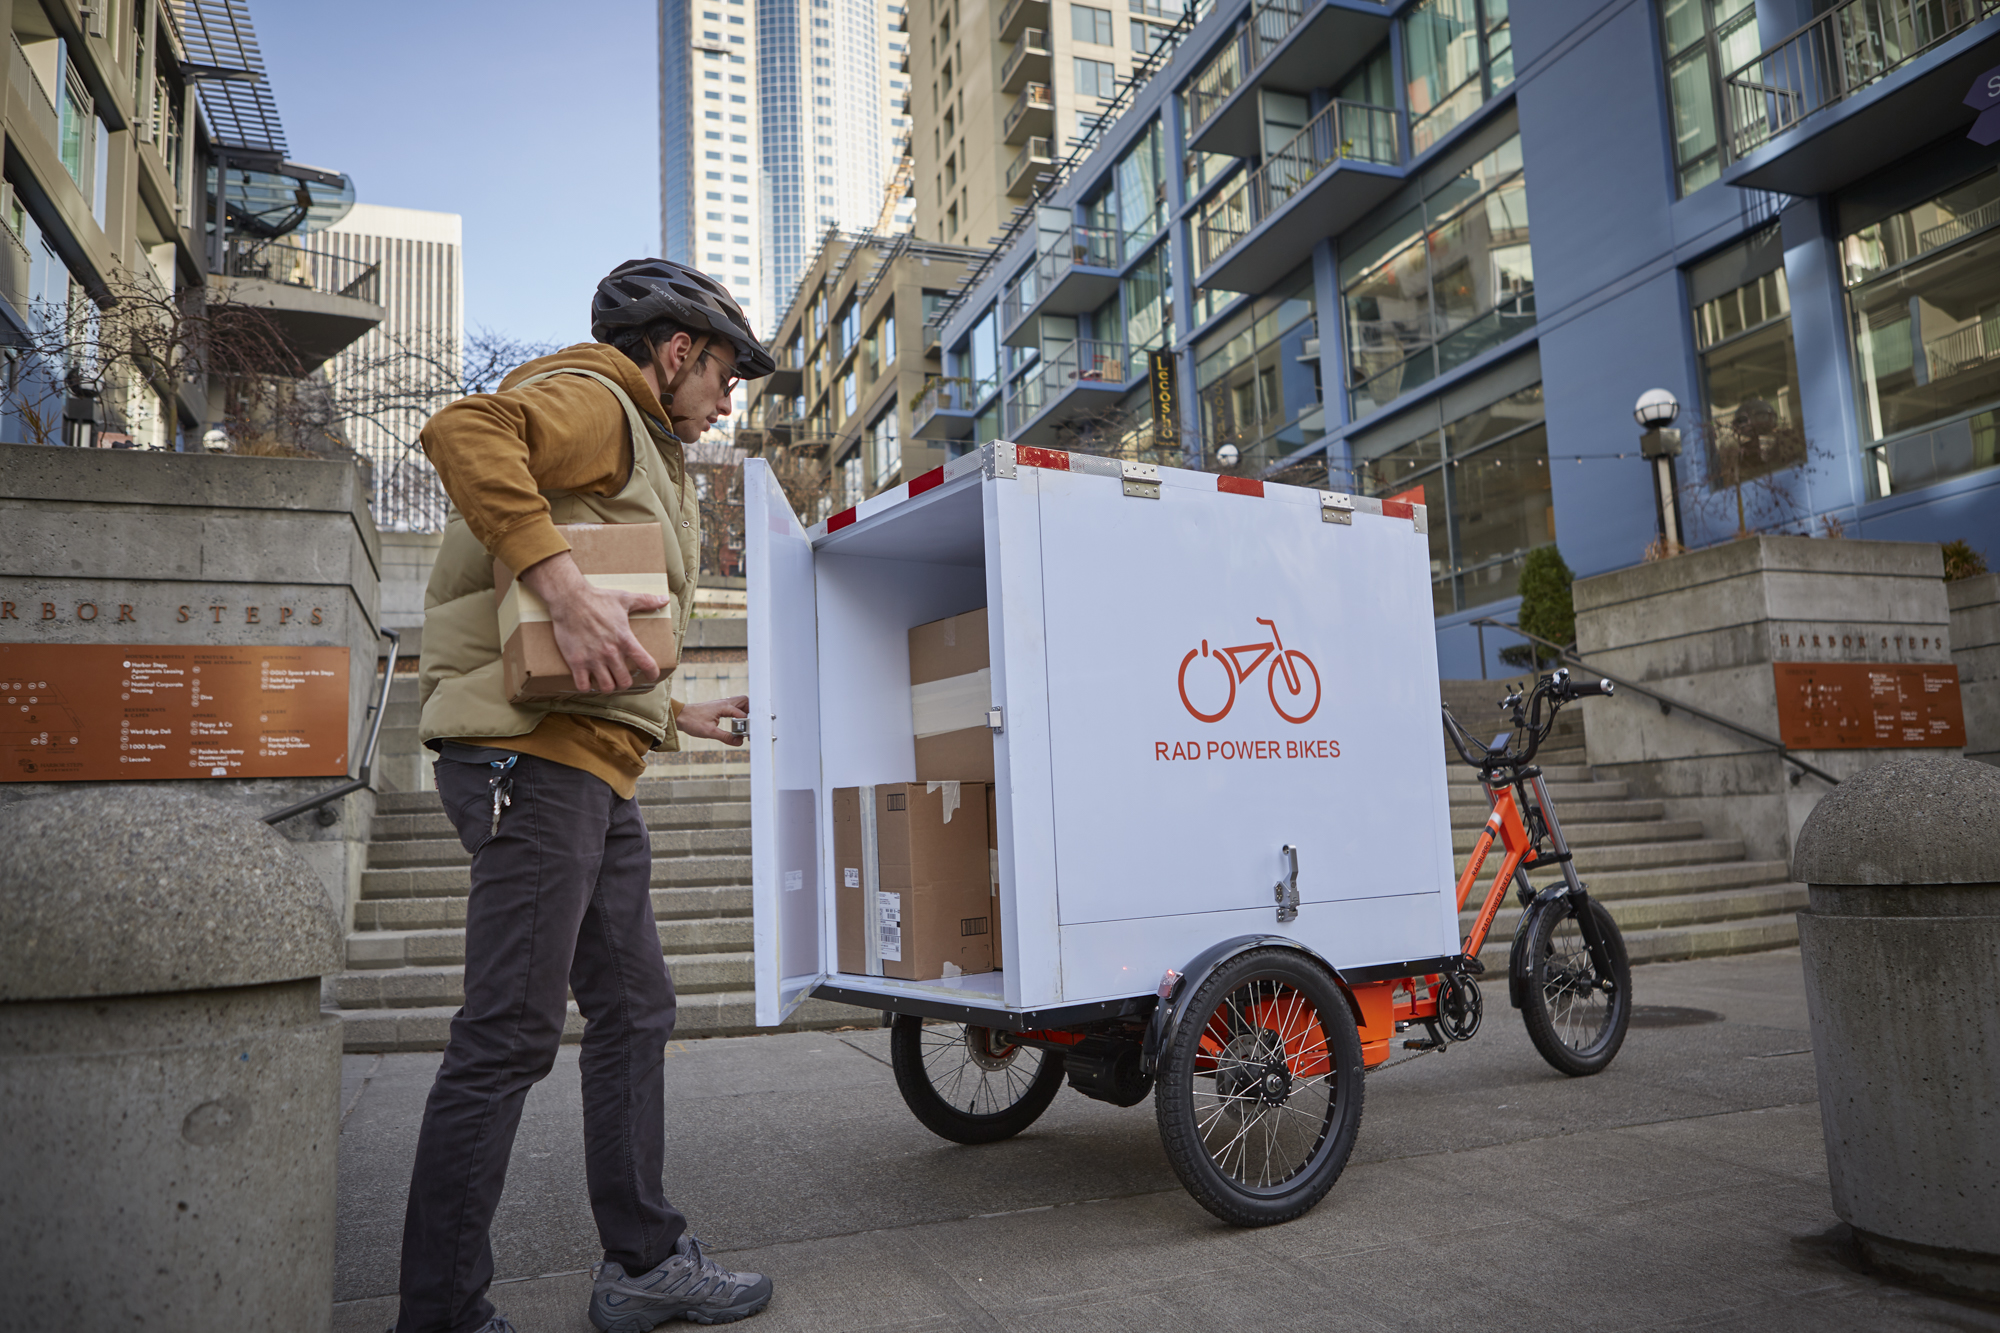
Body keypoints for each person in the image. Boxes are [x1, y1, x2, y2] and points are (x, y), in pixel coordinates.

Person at [397, 259, 773, 1333]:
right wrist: (558, 583)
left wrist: (678, 712)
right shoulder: (598, 400)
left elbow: (602, 638)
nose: (728, 398)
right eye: (725, 374)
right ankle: (440, 1314)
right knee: (510, 1033)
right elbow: (464, 431)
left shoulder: (642, 443)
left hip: (589, 767)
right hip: (532, 765)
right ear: (676, 350)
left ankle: (644, 1260)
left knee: (637, 1005)